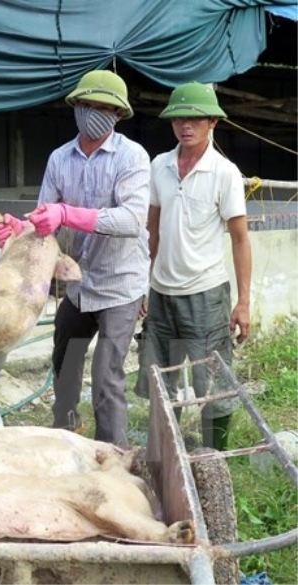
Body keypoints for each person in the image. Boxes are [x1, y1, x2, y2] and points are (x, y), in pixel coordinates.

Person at [0, 70, 151, 448]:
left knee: (106, 378)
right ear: (76, 108)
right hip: (79, 284)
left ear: (118, 115)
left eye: (105, 108)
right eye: (88, 105)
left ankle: (113, 461)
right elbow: (44, 224)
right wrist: (19, 228)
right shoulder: (60, 159)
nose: (94, 113)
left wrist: (67, 214)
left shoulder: (132, 157)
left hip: (119, 284)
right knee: (65, 364)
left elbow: (132, 220)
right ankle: (64, 443)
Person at [141, 82, 252, 450]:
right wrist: (146, 285)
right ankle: (166, 457)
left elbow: (239, 238)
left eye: (195, 119)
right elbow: (152, 230)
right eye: (178, 118)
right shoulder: (160, 166)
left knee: (214, 383)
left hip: (206, 294)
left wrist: (243, 302)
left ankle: (213, 457)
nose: (185, 125)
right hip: (162, 294)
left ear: (212, 123)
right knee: (159, 380)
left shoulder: (225, 173)